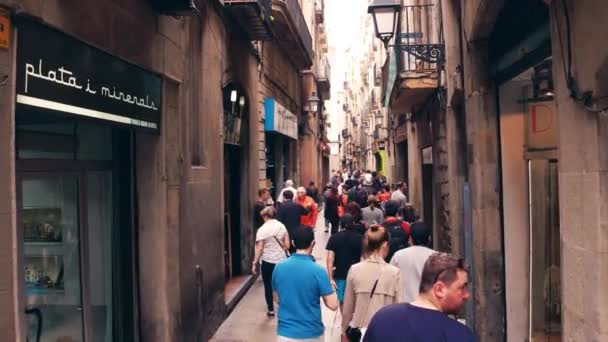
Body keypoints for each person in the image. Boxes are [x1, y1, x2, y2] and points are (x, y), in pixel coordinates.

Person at [363, 253, 475, 342]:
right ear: (439, 289)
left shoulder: (383, 318)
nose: (467, 295)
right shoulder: (458, 335)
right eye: (462, 287)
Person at [272, 226, 339, 341]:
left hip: (286, 333)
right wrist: (332, 285)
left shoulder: (279, 268)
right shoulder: (318, 271)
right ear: (313, 243)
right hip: (311, 333)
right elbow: (333, 305)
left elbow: (277, 299)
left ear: (293, 243)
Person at [342, 224, 404, 339]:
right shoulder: (395, 273)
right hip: (385, 333)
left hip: (360, 333)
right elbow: (399, 309)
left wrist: (344, 331)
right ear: (385, 244)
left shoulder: (354, 270)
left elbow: (347, 309)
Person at [252, 207, 290, 317]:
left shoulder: (262, 230)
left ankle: (271, 309)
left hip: (267, 261)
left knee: (268, 285)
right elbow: (287, 246)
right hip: (282, 261)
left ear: (265, 216)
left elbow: (259, 249)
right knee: (282, 285)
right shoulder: (282, 226)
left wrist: (254, 263)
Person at [390, 222, 437, 303]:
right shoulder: (437, 257)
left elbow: (390, 281)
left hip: (404, 307)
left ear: (410, 239)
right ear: (429, 238)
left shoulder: (398, 256)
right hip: (429, 306)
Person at [325, 214, 363, 311]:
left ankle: (344, 321)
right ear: (353, 224)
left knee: (342, 300)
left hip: (339, 273)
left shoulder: (334, 237)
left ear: (340, 224)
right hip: (356, 274)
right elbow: (363, 257)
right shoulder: (360, 238)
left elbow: (330, 259)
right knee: (355, 298)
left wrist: (330, 278)